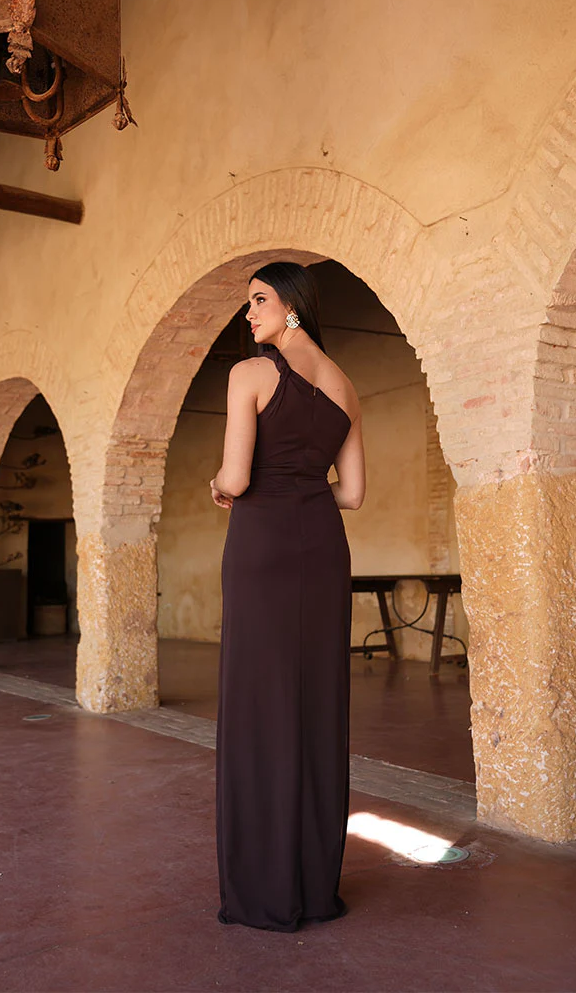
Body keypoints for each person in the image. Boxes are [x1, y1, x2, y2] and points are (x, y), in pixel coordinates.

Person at [210, 261, 366, 933]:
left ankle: (264, 889)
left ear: (291, 306)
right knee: (317, 704)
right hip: (322, 549)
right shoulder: (346, 386)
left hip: (261, 548)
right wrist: (305, 489)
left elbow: (237, 478)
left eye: (259, 300)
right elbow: (352, 494)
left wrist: (216, 485)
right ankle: (313, 885)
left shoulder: (249, 374)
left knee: (257, 704)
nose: (249, 314)